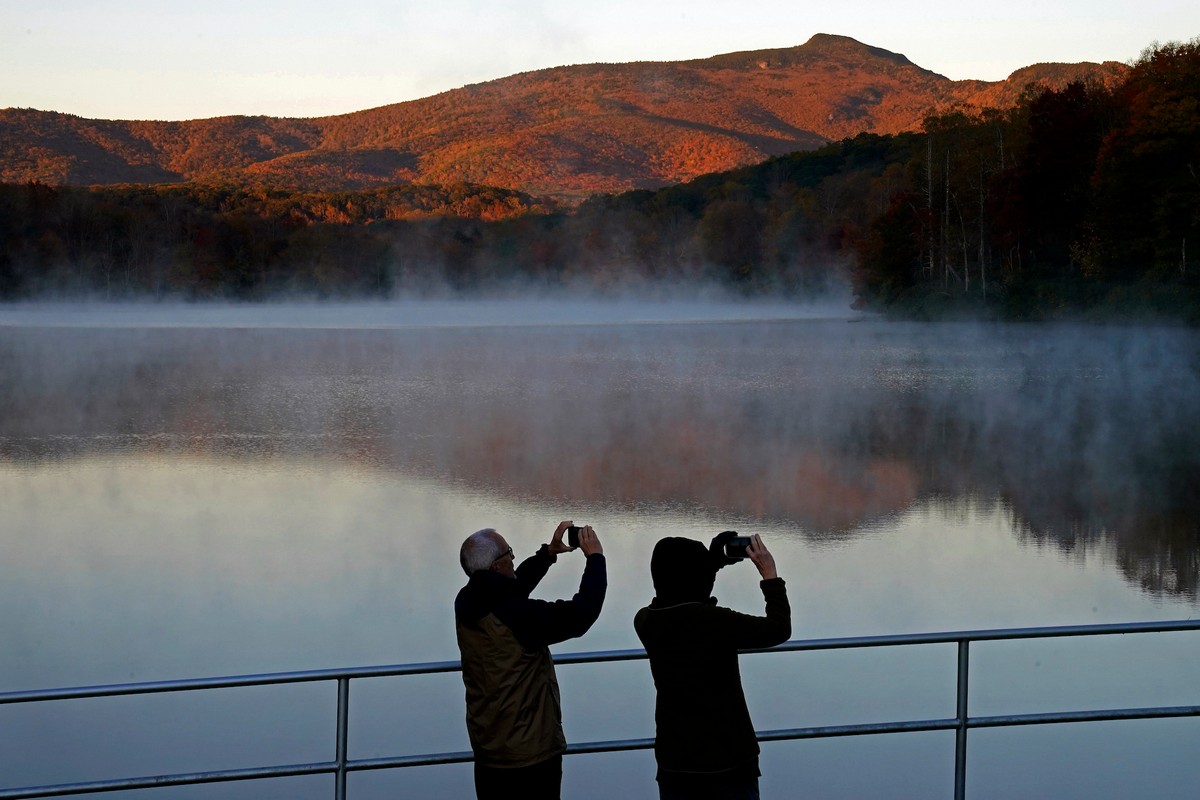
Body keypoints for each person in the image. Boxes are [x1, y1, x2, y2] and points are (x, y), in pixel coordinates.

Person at [455, 520, 606, 800]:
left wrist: (547, 554)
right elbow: (581, 614)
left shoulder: (469, 601)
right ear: (497, 568)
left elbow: (510, 589)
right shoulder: (515, 615)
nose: (513, 557)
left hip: (489, 750)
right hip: (529, 756)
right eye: (509, 553)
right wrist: (595, 559)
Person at [634, 532, 791, 800]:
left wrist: (712, 563)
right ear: (697, 576)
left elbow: (683, 590)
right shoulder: (713, 621)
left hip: (675, 762)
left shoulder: (646, 620)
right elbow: (778, 629)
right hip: (728, 763)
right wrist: (770, 575)